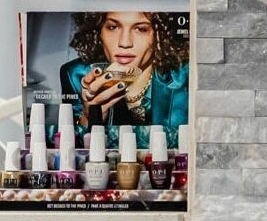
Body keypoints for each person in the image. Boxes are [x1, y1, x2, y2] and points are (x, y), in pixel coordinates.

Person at [59, 9, 190, 135]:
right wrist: (89, 118)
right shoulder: (76, 75)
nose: (124, 42)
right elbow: (74, 148)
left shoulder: (186, 76)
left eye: (141, 29)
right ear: (98, 31)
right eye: (113, 27)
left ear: (160, 34)